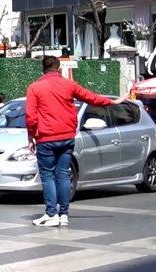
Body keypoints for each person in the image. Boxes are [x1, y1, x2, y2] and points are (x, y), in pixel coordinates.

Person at [26, 56, 127, 227]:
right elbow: (91, 97)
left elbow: (31, 116)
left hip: (46, 137)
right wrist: (112, 102)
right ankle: (63, 214)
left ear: (42, 69)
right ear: (58, 68)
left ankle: (51, 213)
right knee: (63, 175)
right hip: (67, 136)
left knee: (48, 175)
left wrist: (31, 137)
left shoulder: (35, 88)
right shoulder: (68, 85)